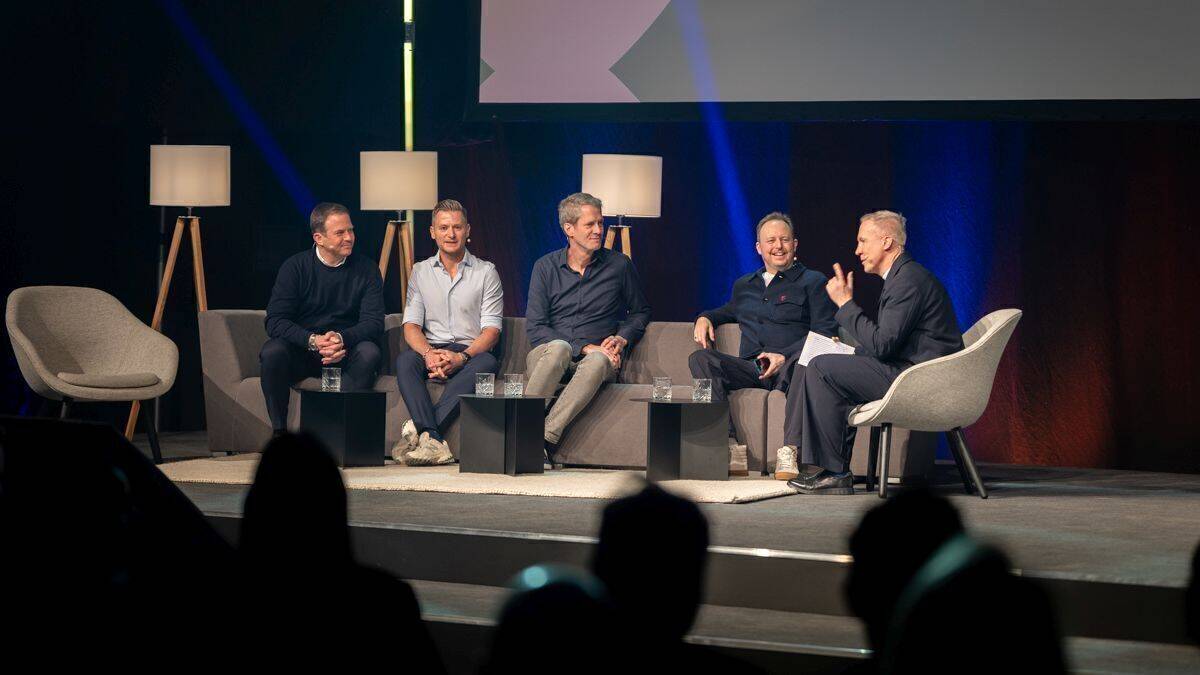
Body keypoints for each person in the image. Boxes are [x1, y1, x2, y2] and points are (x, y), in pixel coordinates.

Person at [784, 211, 962, 494]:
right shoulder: (903, 277)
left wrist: (845, 304)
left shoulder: (908, 280)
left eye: (863, 241)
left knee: (821, 367)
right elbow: (888, 343)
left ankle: (836, 472)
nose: (857, 250)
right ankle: (830, 468)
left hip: (919, 378)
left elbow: (883, 345)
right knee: (814, 359)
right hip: (908, 369)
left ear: (887, 242)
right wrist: (851, 351)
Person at [689, 212, 838, 478]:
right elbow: (726, 311)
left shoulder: (813, 281)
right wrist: (704, 317)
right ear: (759, 248)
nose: (778, 246)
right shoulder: (744, 285)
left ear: (795, 244)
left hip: (791, 368)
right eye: (771, 241)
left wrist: (784, 356)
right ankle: (728, 446)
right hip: (753, 368)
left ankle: (790, 450)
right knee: (700, 359)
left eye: (785, 240)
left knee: (805, 362)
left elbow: (825, 332)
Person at [524, 193, 651, 463]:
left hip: (595, 362)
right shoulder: (545, 267)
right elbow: (536, 327)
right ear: (569, 229)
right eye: (590, 224)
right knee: (559, 348)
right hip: (549, 357)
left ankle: (539, 438)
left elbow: (641, 311)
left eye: (600, 223)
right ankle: (522, 429)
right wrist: (582, 346)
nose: (598, 230)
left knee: (598, 360)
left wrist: (621, 338)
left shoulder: (619, 265)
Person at [392, 199, 503, 465]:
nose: (450, 234)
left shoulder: (486, 272)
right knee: (406, 361)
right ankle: (433, 438)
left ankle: (423, 433)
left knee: (487, 363)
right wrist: (429, 354)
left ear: (468, 230)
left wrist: (461, 357)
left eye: (457, 227)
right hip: (432, 349)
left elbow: (491, 330)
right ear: (433, 232)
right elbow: (411, 326)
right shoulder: (420, 271)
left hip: (470, 351)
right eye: (443, 228)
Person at [260, 202, 383, 433]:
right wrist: (313, 341)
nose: (349, 237)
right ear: (319, 238)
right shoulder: (295, 267)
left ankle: (339, 431)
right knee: (272, 351)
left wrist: (340, 338)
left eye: (351, 230)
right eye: (340, 233)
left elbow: (374, 323)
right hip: (303, 351)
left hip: (345, 351)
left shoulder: (367, 269)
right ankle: (279, 432)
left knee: (370, 352)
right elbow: (275, 321)